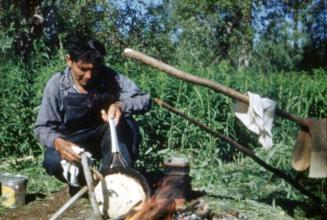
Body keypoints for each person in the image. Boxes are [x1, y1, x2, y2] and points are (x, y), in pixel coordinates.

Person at [34, 37, 151, 193]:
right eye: (82, 69)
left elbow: (144, 99)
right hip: (75, 140)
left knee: (127, 125)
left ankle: (117, 179)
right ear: (69, 60)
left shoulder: (109, 76)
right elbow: (42, 127)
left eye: (94, 69)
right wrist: (58, 142)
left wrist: (120, 106)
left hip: (107, 135)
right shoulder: (57, 85)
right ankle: (87, 182)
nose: (89, 75)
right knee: (52, 160)